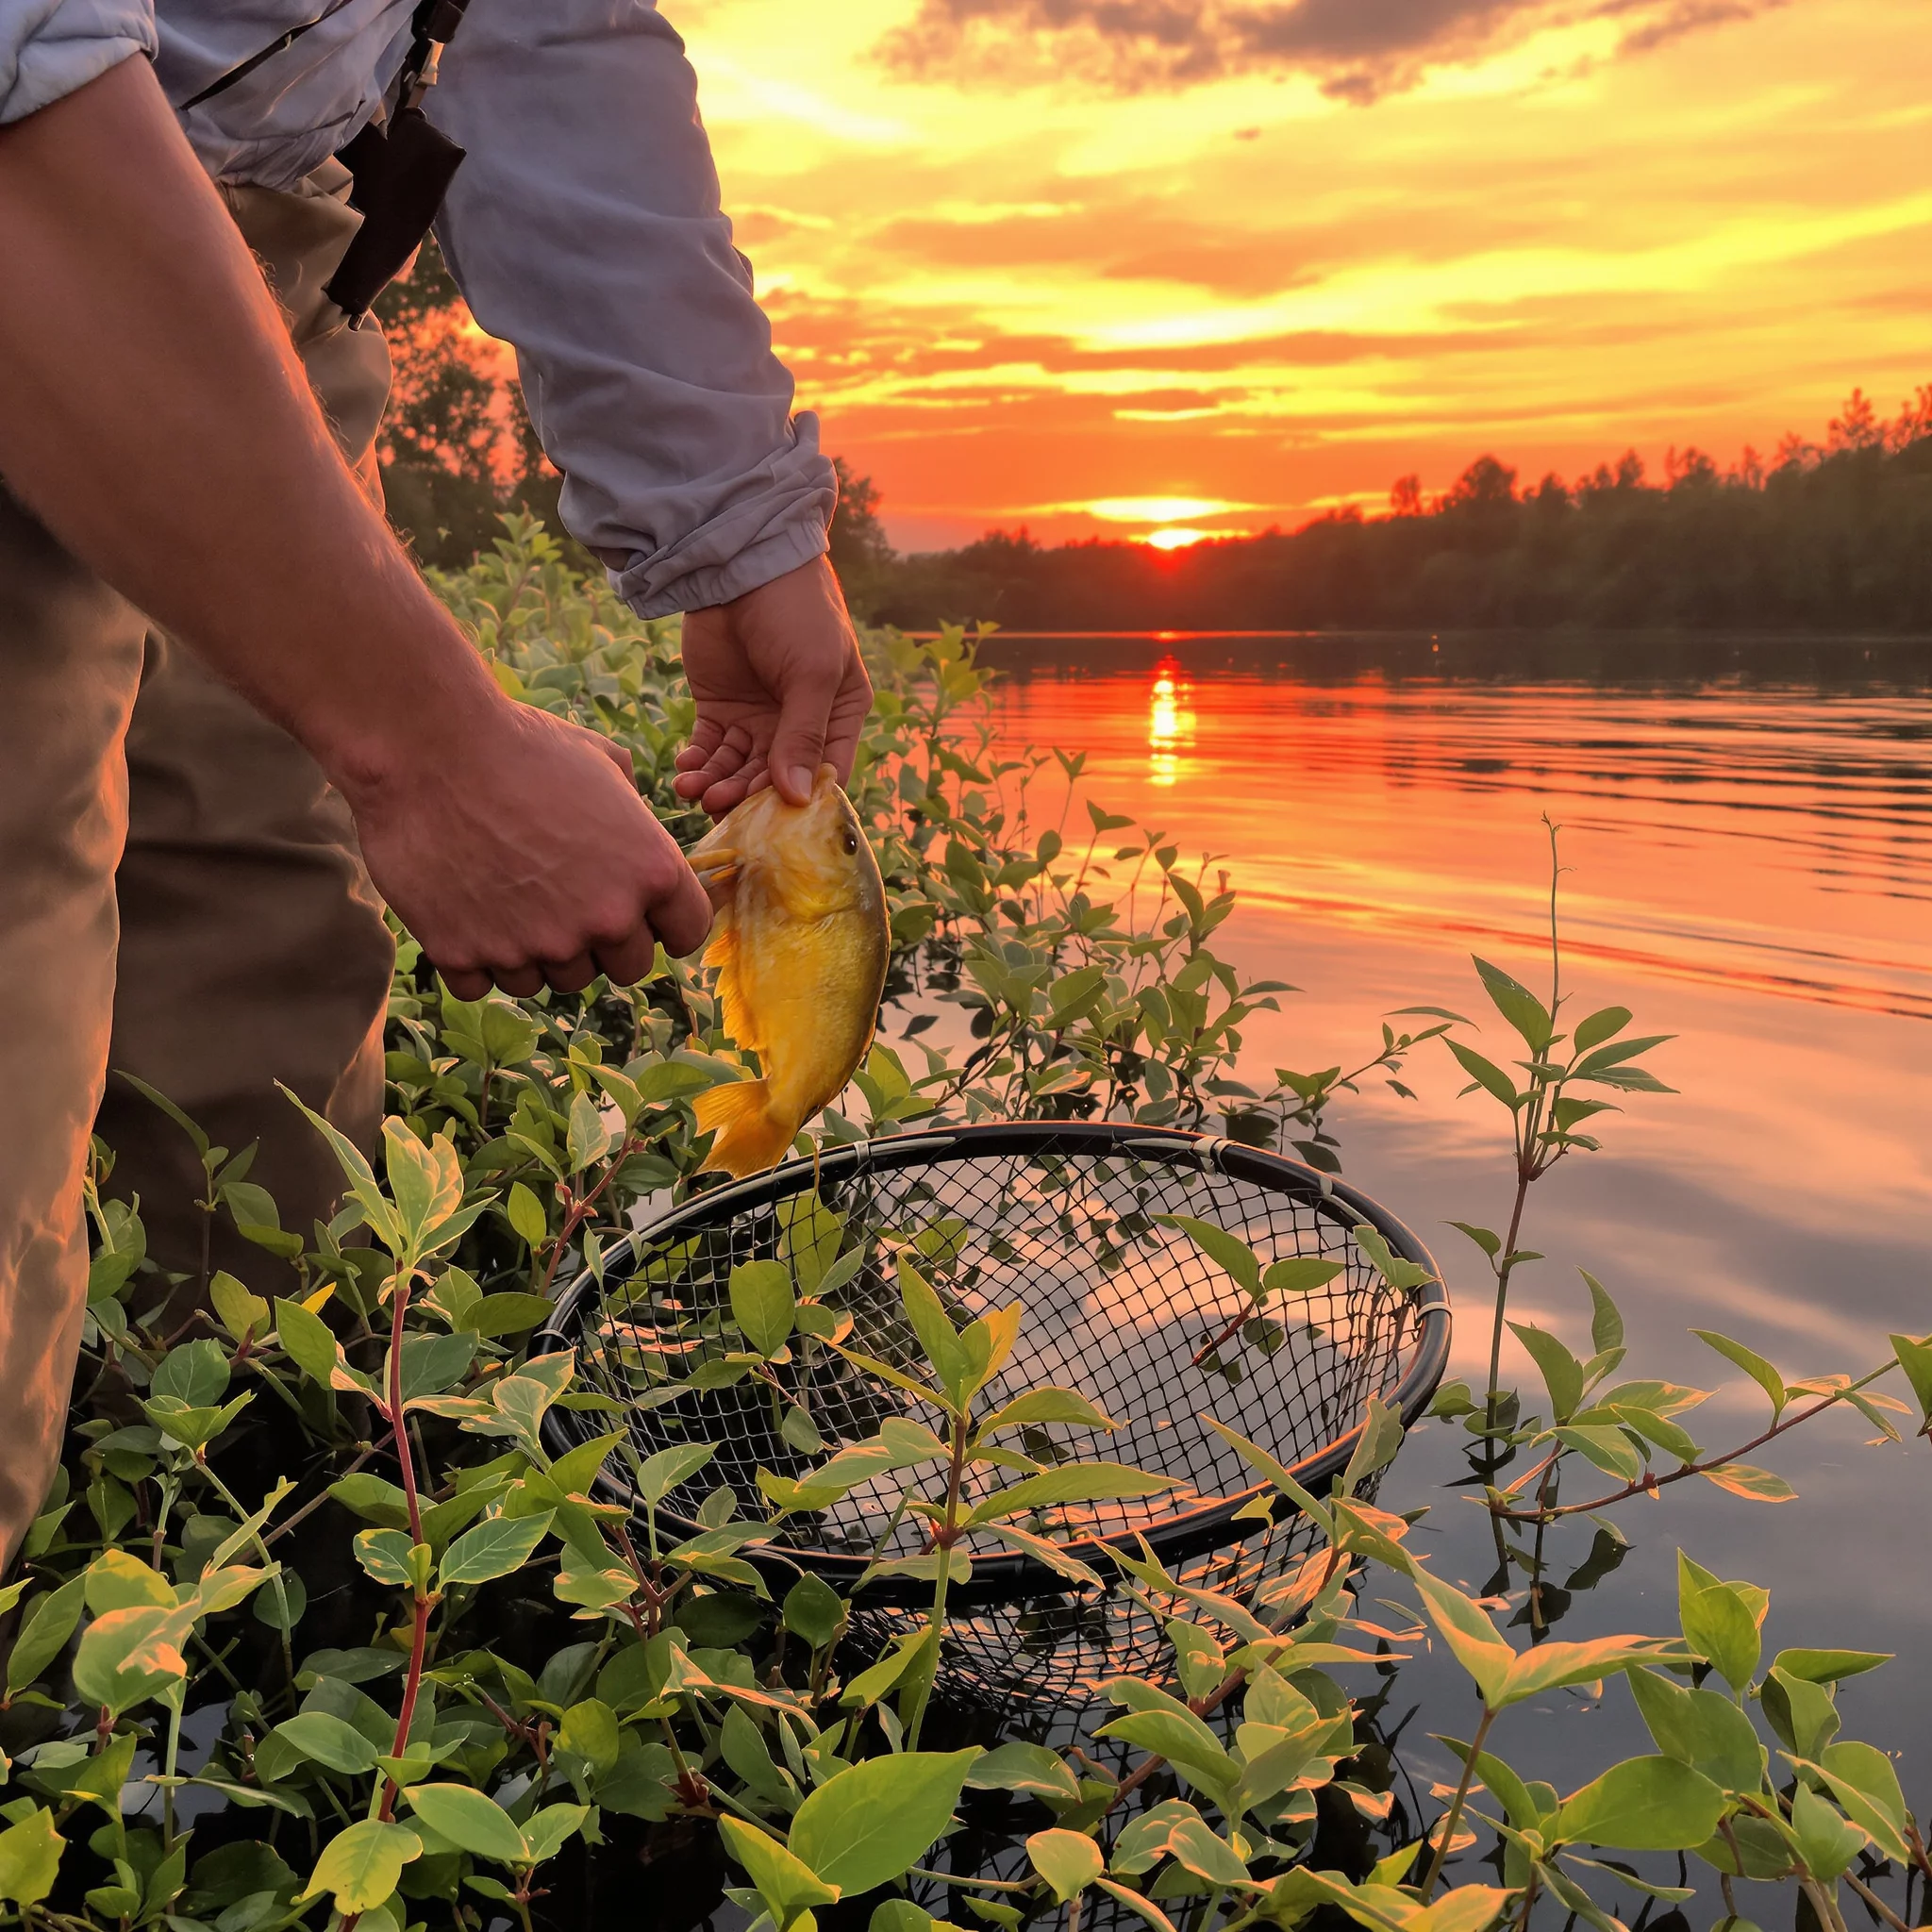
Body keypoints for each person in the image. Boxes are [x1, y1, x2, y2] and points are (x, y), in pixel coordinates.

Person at [0, 0, 873, 1562]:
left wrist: (743, 532)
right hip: (47, 184)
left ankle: (209, 1622)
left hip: (281, 273)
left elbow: (552, 28)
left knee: (268, 1063)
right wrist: (430, 746)